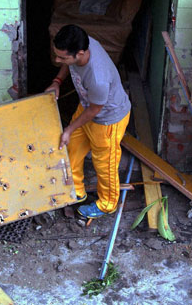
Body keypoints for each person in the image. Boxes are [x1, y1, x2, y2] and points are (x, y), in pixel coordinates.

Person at [46, 25, 131, 219]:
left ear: (81, 54)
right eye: (57, 55)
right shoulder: (83, 42)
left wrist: (69, 128)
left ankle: (107, 204)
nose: (58, 60)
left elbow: (96, 110)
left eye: (62, 58)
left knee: (105, 163)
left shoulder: (98, 78)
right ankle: (77, 191)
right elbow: (68, 63)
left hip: (108, 119)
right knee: (72, 147)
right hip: (87, 107)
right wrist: (57, 81)